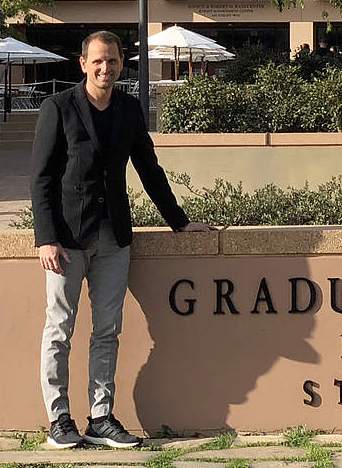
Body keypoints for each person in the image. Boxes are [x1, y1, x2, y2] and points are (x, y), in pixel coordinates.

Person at [31, 31, 214, 449]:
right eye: (97, 61)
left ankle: (100, 417)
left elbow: (149, 169)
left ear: (120, 64)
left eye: (112, 61)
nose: (105, 68)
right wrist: (46, 238)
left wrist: (179, 222)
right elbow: (40, 179)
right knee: (60, 328)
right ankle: (59, 419)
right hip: (66, 240)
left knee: (108, 330)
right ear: (83, 63)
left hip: (114, 237)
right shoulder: (57, 108)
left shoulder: (130, 109)